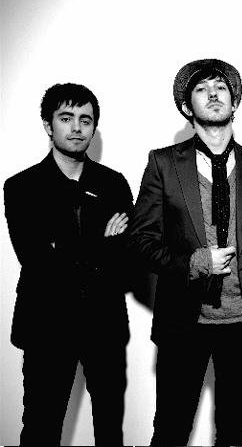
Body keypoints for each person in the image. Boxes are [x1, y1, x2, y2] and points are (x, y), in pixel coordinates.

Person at [128, 58, 242, 446]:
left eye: (221, 88)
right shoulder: (163, 163)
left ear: (235, 102)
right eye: (202, 89)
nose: (213, 94)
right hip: (184, 321)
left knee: (233, 433)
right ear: (187, 106)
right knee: (171, 430)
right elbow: (140, 242)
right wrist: (195, 262)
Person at [4, 83, 133, 445]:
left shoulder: (113, 183)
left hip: (104, 326)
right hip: (46, 326)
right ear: (48, 125)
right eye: (66, 118)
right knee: (41, 429)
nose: (77, 127)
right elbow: (37, 260)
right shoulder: (21, 187)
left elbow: (130, 260)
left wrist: (66, 249)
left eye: (85, 120)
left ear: (94, 127)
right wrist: (103, 244)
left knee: (110, 430)